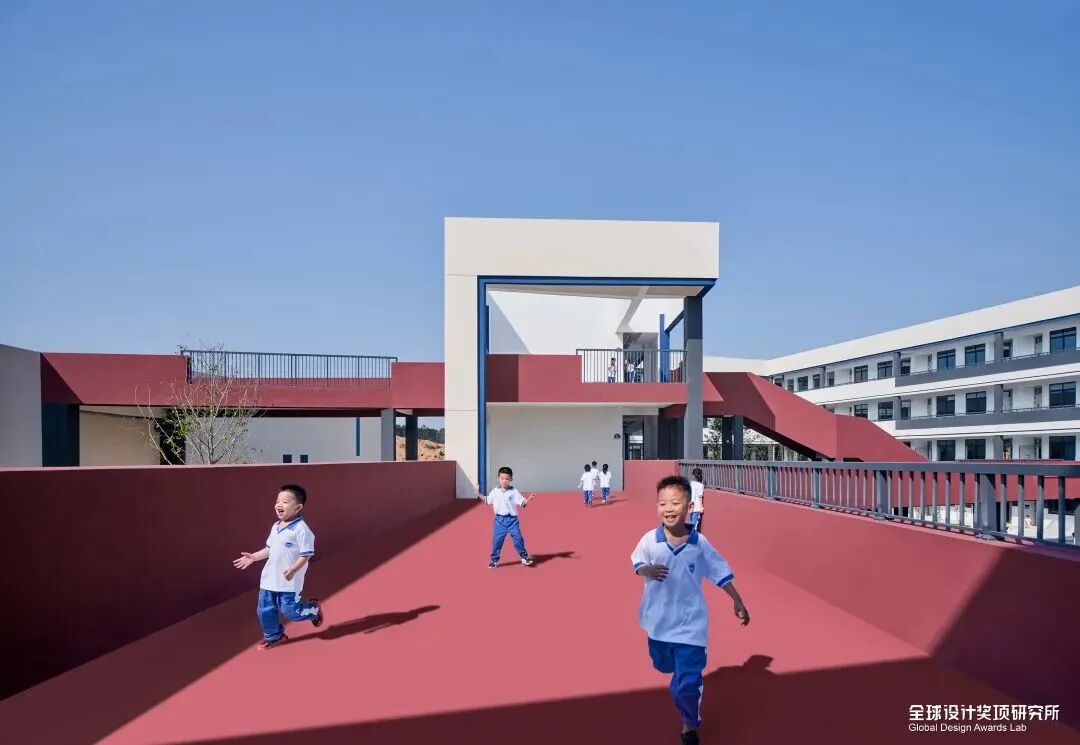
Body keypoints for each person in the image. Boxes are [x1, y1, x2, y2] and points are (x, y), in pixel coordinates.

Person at [630, 475, 750, 745]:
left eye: (675, 503)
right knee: (662, 664)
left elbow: (719, 571)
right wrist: (646, 570)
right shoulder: (649, 540)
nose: (668, 508)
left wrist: (737, 599)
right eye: (662, 503)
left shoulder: (699, 543)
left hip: (691, 626)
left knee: (685, 684)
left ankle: (689, 725)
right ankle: (680, 673)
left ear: (689, 506)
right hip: (658, 623)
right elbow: (637, 562)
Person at [233, 484, 325, 650]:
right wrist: (253, 557)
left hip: (289, 582)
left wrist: (293, 570)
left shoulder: (302, 530)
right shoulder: (276, 527)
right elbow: (269, 549)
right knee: (264, 611)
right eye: (277, 501)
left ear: (298, 507)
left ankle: (313, 609)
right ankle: (275, 636)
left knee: (292, 613)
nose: (279, 505)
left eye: (285, 502)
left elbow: (306, 555)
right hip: (269, 579)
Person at [476, 466, 535, 568]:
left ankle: (524, 557)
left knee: (518, 539)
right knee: (497, 542)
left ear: (511, 479)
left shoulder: (514, 491)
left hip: (512, 521)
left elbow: (522, 502)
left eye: (507, 479)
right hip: (499, 521)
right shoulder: (495, 491)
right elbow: (487, 500)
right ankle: (494, 560)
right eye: (502, 478)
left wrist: (528, 499)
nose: (504, 481)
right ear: (498, 478)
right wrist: (478, 493)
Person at [689, 467, 705, 532]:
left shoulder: (690, 483)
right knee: (694, 524)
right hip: (696, 507)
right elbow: (700, 497)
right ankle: (692, 535)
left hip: (690, 506)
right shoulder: (700, 485)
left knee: (691, 522)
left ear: (693, 475)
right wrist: (701, 507)